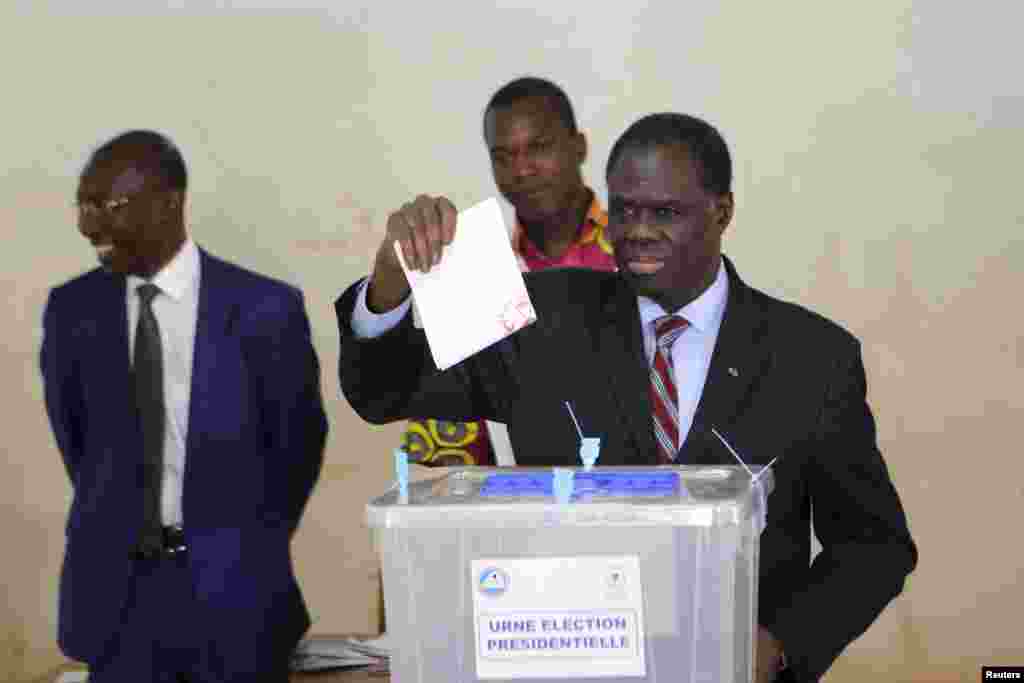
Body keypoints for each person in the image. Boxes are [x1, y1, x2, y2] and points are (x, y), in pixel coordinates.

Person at [335, 113, 917, 682]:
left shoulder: (813, 356)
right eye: (626, 210)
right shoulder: (540, 309)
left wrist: (784, 642)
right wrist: (391, 280)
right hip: (564, 663)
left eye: (665, 212)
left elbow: (873, 546)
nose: (638, 230)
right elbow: (383, 392)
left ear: (723, 211)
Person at [41, 130, 327, 682]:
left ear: (170, 202)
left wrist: (242, 540)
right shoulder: (73, 310)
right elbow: (78, 444)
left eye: (108, 205)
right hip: (118, 602)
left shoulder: (264, 308)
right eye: (84, 205)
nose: (88, 224)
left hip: (236, 595)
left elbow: (297, 449)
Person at [399, 76, 616, 467]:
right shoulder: (473, 274)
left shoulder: (636, 250)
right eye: (503, 156)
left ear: (579, 147)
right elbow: (450, 455)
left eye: (539, 148)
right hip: (521, 515)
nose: (522, 170)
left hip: (650, 505)